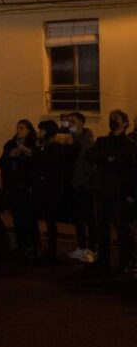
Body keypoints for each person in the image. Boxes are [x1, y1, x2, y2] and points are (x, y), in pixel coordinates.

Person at [89, 110, 135, 275]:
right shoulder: (102, 141)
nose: (112, 121)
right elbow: (93, 157)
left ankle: (124, 261)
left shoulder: (129, 144)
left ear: (124, 122)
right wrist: (107, 159)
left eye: (116, 118)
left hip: (119, 192)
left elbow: (125, 166)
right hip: (102, 190)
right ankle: (103, 261)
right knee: (102, 228)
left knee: (121, 229)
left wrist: (107, 161)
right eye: (111, 118)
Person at [0, 120, 37, 258]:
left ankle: (31, 244)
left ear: (28, 131)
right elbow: (1, 162)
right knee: (18, 217)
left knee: (29, 217)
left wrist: (26, 154)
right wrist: (10, 156)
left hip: (27, 186)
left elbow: (36, 163)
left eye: (22, 128)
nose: (19, 130)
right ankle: (20, 244)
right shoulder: (10, 144)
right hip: (14, 185)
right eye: (18, 128)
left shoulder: (33, 144)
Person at [63, 112, 97, 263]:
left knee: (89, 217)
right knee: (77, 217)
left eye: (73, 121)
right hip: (73, 183)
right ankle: (81, 245)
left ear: (82, 123)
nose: (70, 124)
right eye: (68, 121)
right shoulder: (68, 138)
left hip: (84, 184)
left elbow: (84, 161)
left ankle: (93, 248)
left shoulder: (87, 140)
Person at [31, 120, 66, 263]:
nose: (39, 133)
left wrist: (38, 152)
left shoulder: (56, 148)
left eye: (42, 130)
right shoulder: (41, 147)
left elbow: (49, 164)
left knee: (51, 220)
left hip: (51, 188)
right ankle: (43, 248)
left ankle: (52, 251)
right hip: (41, 187)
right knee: (44, 218)